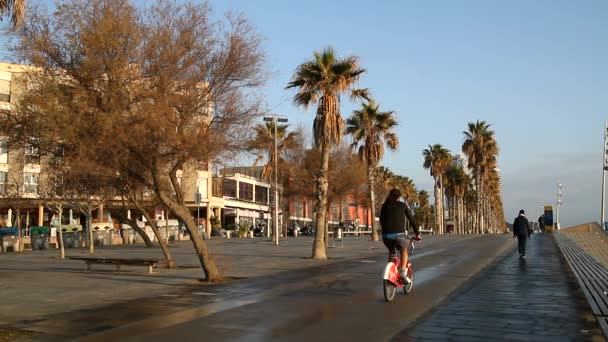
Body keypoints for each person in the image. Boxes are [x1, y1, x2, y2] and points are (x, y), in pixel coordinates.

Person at [380, 188, 421, 284]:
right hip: (399, 236)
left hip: (386, 236)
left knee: (391, 251)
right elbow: (411, 220)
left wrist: (385, 233)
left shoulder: (384, 206)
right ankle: (402, 273)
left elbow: (382, 220)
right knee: (404, 251)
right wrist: (417, 234)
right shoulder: (403, 205)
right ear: (399, 197)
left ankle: (390, 269)